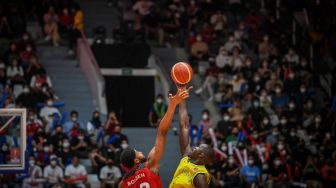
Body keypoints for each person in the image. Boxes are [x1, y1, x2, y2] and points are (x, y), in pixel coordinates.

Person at [118, 85, 191, 188]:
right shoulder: (150, 166)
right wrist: (172, 105)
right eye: (136, 152)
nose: (139, 151)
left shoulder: (123, 184)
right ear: (136, 161)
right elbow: (162, 133)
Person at [170, 84, 214, 188]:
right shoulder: (186, 157)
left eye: (199, 147)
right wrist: (182, 97)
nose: (195, 147)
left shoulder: (200, 176)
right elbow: (184, 126)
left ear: (201, 155)